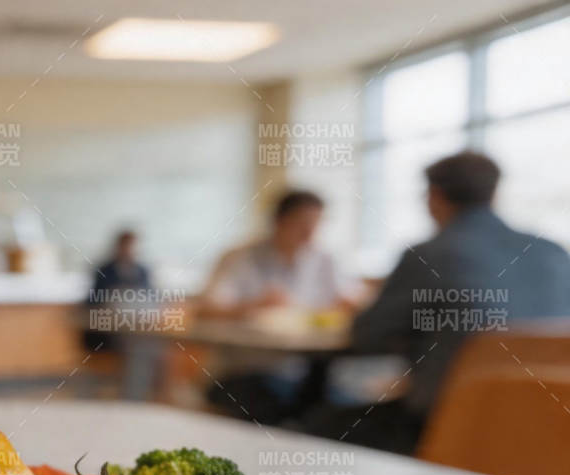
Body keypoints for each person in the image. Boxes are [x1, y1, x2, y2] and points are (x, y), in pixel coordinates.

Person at [304, 151, 570, 453]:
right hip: (551, 430)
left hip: (449, 429)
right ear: (494, 194)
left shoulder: (429, 255)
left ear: (434, 197)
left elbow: (365, 336)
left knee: (312, 427)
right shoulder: (554, 254)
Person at [198, 190, 362, 423]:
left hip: (307, 371)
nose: (310, 232)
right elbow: (206, 310)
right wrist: (253, 306)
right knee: (289, 410)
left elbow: (352, 298)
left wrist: (352, 305)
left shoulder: (324, 259)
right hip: (244, 371)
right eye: (302, 224)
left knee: (338, 407)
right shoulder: (240, 257)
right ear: (279, 221)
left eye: (316, 223)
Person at [82, 229, 154, 354]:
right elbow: (92, 300)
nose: (129, 250)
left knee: (150, 347)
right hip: (109, 328)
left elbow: (151, 297)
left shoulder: (142, 271)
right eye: (126, 246)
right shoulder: (104, 270)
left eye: (133, 246)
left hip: (137, 324)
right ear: (118, 246)